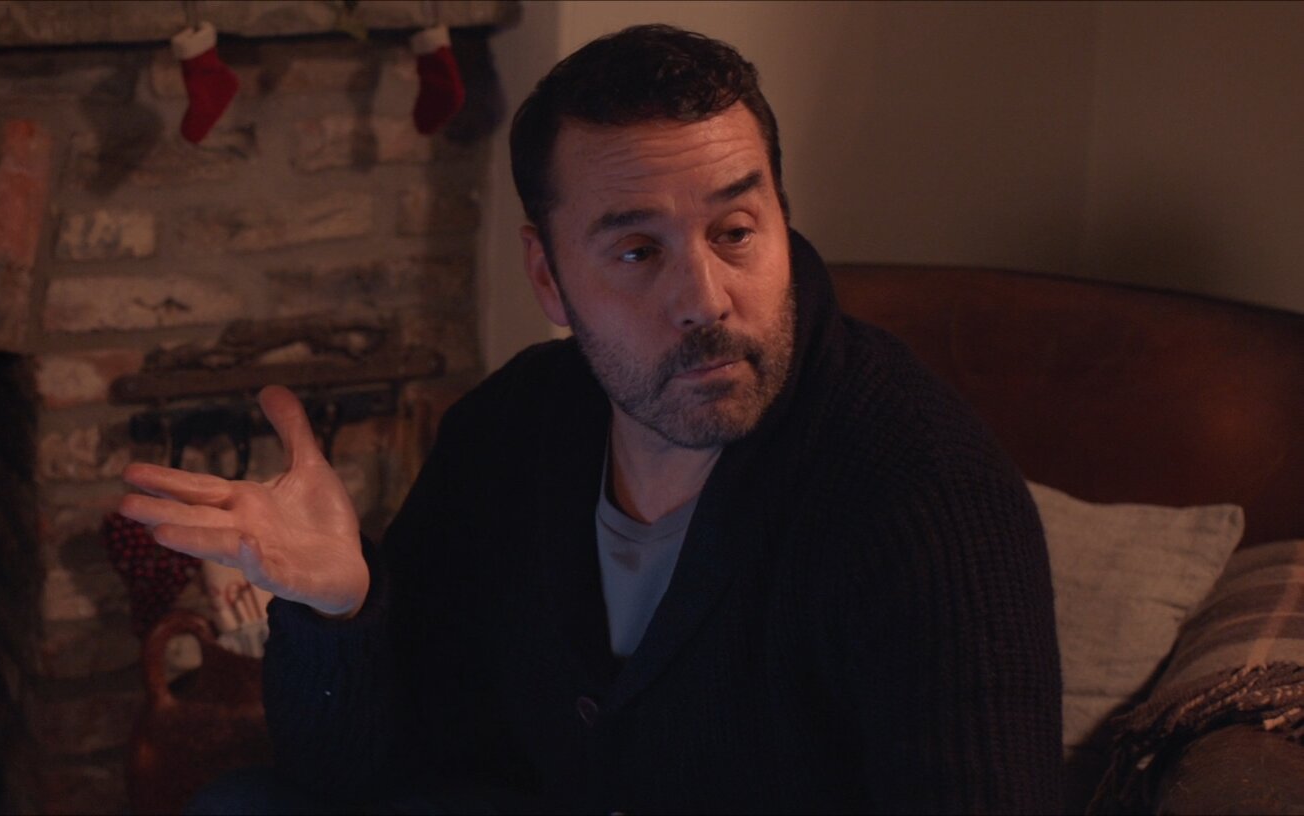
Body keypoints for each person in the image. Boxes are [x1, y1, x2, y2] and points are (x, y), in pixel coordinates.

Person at [120, 23, 1062, 813]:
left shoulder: (926, 497)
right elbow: (350, 776)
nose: (704, 298)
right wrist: (340, 611)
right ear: (548, 278)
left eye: (735, 232)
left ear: (781, 218)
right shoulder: (514, 430)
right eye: (637, 251)